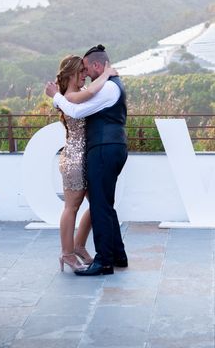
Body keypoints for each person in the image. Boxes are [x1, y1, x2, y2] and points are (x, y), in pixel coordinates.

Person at [45, 44, 128, 276]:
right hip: (74, 156)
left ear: (95, 65)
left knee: (99, 206)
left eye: (86, 70)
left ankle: (84, 247)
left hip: (91, 154)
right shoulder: (71, 97)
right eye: (81, 72)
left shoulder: (96, 90)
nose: (85, 75)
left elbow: (89, 95)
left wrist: (104, 74)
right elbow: (77, 109)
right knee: (74, 206)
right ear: (72, 73)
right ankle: (68, 252)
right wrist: (56, 97)